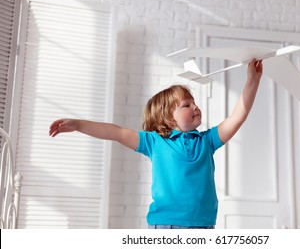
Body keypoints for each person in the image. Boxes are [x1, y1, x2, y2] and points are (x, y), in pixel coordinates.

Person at [49, 59, 263, 229]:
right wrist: (78, 124)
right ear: (168, 119)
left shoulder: (207, 141)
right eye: (187, 105)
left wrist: (253, 80)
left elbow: (236, 118)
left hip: (204, 225)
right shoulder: (155, 142)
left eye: (195, 103)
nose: (195, 107)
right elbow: (117, 133)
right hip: (166, 226)